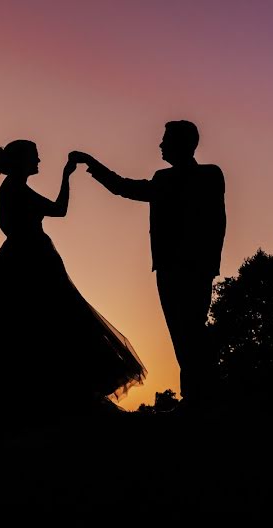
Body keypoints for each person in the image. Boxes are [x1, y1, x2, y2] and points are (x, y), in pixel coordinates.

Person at [0, 139, 146, 440]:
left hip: (25, 260)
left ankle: (42, 408)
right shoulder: (14, 189)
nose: (38, 161)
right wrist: (67, 174)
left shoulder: (13, 188)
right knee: (48, 325)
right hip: (30, 263)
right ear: (21, 160)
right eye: (34, 157)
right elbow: (59, 210)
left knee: (39, 329)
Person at [71, 120, 226, 414]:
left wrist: (209, 262)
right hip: (168, 266)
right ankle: (197, 396)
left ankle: (203, 397)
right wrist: (93, 165)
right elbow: (123, 188)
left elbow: (217, 222)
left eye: (166, 140)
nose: (161, 145)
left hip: (192, 266)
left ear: (183, 143)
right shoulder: (166, 178)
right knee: (182, 333)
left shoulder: (207, 175)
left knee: (191, 330)